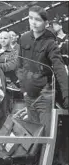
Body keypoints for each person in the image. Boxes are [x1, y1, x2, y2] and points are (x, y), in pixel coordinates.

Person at [16, 5, 69, 135]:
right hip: (29, 95)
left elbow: (59, 68)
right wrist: (24, 88)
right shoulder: (23, 39)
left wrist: (66, 93)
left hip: (45, 95)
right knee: (32, 133)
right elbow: (19, 64)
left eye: (38, 20)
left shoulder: (51, 43)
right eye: (30, 18)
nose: (33, 22)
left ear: (46, 23)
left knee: (45, 134)